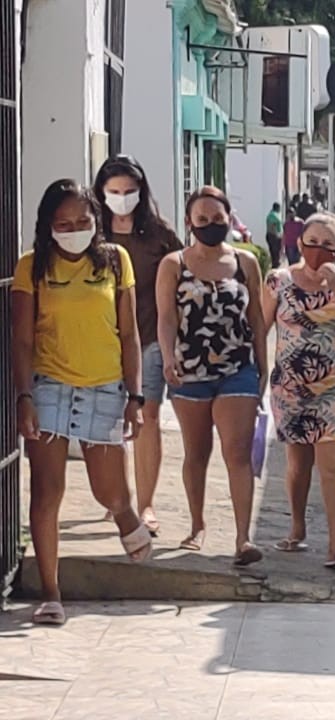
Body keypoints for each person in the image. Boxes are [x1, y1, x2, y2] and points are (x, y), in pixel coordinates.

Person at [13, 180, 151, 625]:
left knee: (107, 491)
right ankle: (52, 594)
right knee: (47, 492)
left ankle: (125, 513)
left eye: (82, 222)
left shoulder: (115, 261)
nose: (73, 230)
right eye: (63, 224)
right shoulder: (31, 268)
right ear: (48, 226)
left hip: (106, 387)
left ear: (97, 222)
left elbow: (129, 334)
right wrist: (25, 397)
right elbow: (20, 338)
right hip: (50, 385)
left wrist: (135, 395)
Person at [156, 186, 268, 566]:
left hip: (238, 369)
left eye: (217, 219)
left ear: (228, 219)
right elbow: (167, 317)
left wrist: (263, 366)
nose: (210, 225)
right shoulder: (174, 264)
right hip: (190, 371)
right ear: (189, 222)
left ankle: (243, 537)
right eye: (202, 219)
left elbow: (256, 318)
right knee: (197, 452)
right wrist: (169, 356)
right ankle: (197, 524)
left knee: (237, 452)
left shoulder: (245, 263)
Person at [264, 212, 335, 568]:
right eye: (312, 242)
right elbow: (260, 328)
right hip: (290, 389)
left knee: (333, 465)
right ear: (299, 243)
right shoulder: (277, 281)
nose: (318, 251)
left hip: (334, 389)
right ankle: (297, 528)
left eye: (328, 245)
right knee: (297, 464)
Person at [93, 155, 183, 538]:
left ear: (141, 191)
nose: (122, 198)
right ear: (101, 193)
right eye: (114, 192)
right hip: (99, 343)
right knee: (107, 423)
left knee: (146, 419)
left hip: (147, 339)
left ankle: (145, 504)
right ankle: (119, 500)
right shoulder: (92, 232)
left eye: (129, 191)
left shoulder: (159, 235)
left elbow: (183, 278)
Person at [265, 202, 284, 268]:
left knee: (272, 251)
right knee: (276, 251)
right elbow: (277, 224)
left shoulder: (270, 214)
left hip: (269, 235)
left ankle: (274, 264)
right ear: (277, 208)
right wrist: (280, 233)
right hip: (274, 236)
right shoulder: (274, 215)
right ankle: (275, 265)